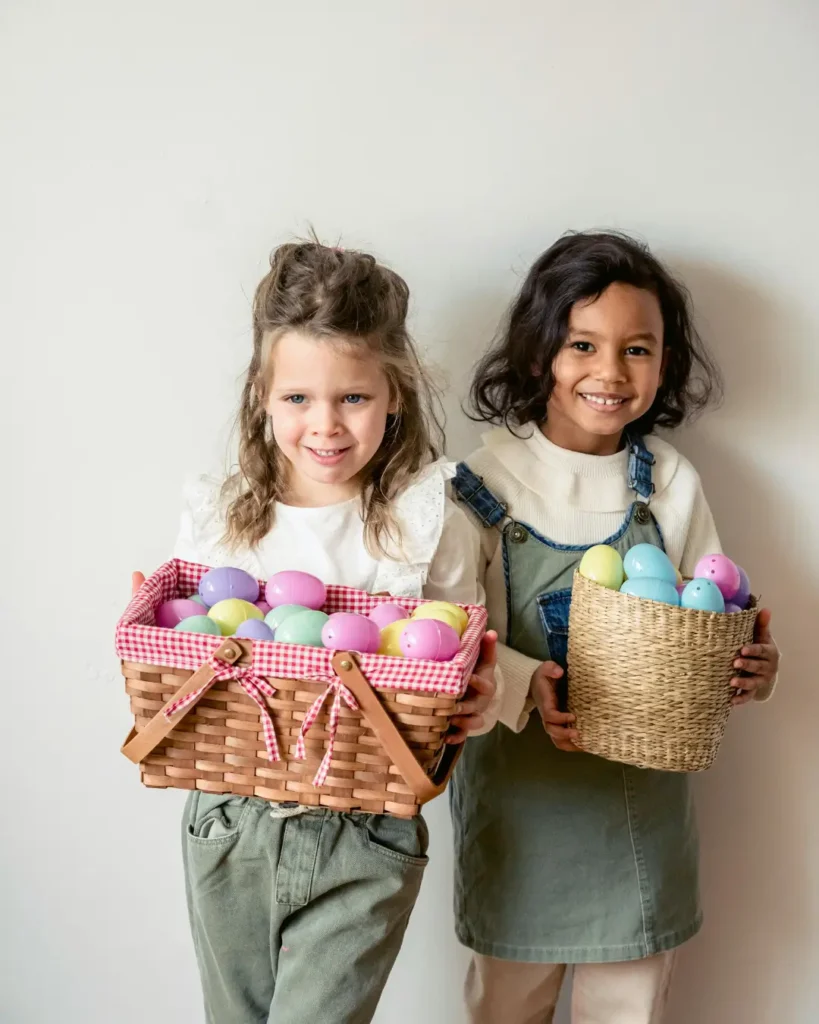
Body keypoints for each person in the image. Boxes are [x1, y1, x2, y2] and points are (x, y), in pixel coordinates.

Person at [133, 240, 496, 1023]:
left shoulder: (427, 519)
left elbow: (459, 659)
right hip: (229, 822)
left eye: (353, 399)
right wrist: (163, 634)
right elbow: (189, 631)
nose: (324, 426)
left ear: (394, 394)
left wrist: (481, 696)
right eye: (298, 398)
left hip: (364, 835)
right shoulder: (222, 518)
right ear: (261, 397)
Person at [449, 231, 780, 1024]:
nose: (609, 372)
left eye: (638, 349)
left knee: (627, 1007)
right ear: (538, 355)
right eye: (581, 345)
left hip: (638, 817)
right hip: (518, 812)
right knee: (504, 1005)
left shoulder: (666, 481)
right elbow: (450, 646)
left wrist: (748, 664)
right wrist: (531, 687)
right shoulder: (480, 483)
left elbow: (711, 603)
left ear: (663, 362)